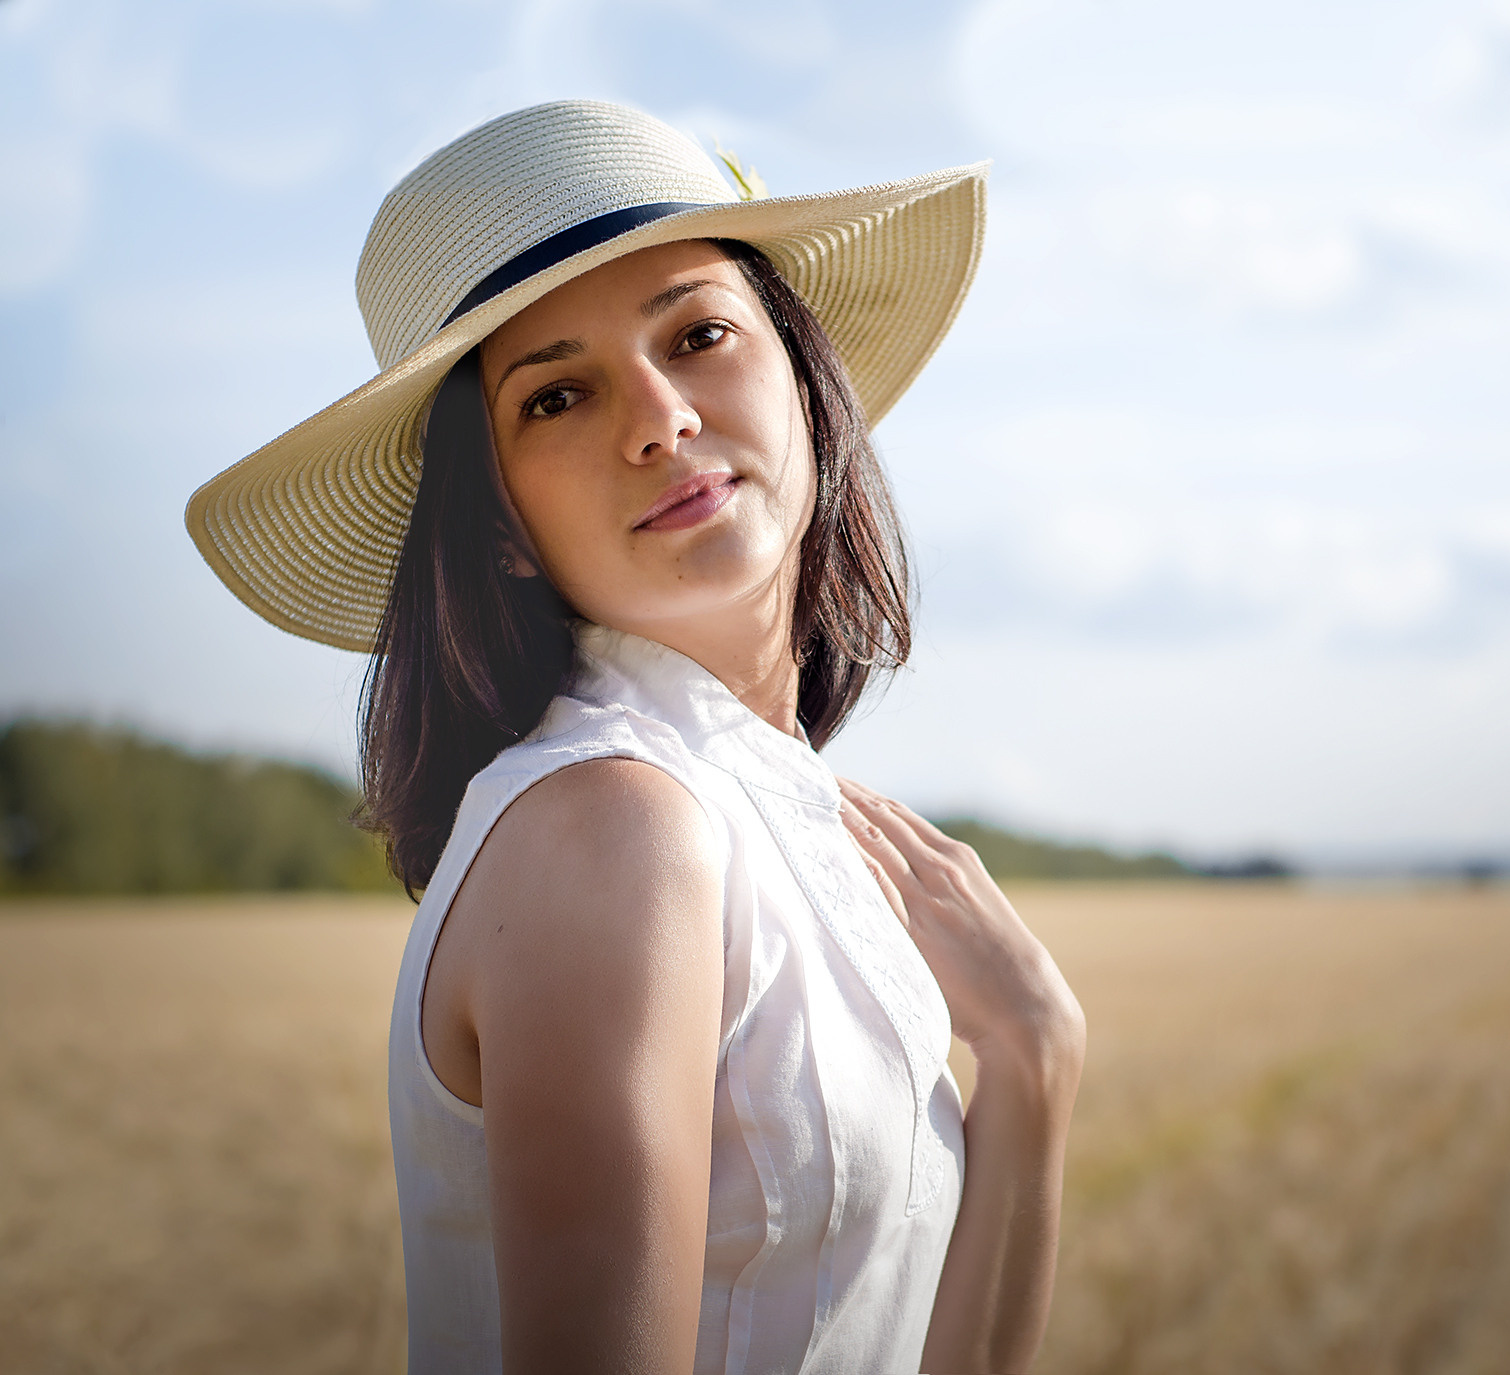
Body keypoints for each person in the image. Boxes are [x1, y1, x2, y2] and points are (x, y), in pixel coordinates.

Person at [184, 100, 1084, 1374]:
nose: (658, 417)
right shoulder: (614, 825)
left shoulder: (757, 811)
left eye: (699, 333)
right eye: (556, 395)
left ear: (803, 374)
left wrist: (1034, 1062)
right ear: (496, 523)